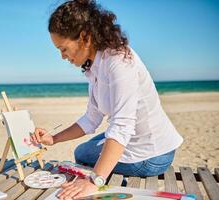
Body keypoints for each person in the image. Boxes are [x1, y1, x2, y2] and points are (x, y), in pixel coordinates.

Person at [30, 0, 183, 199]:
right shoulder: (94, 65)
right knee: (84, 150)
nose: (62, 56)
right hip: (132, 141)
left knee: (83, 154)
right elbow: (91, 119)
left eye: (64, 48)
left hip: (153, 154)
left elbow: (122, 125)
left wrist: (94, 180)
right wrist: (54, 139)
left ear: (84, 37)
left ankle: (115, 188)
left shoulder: (119, 60)